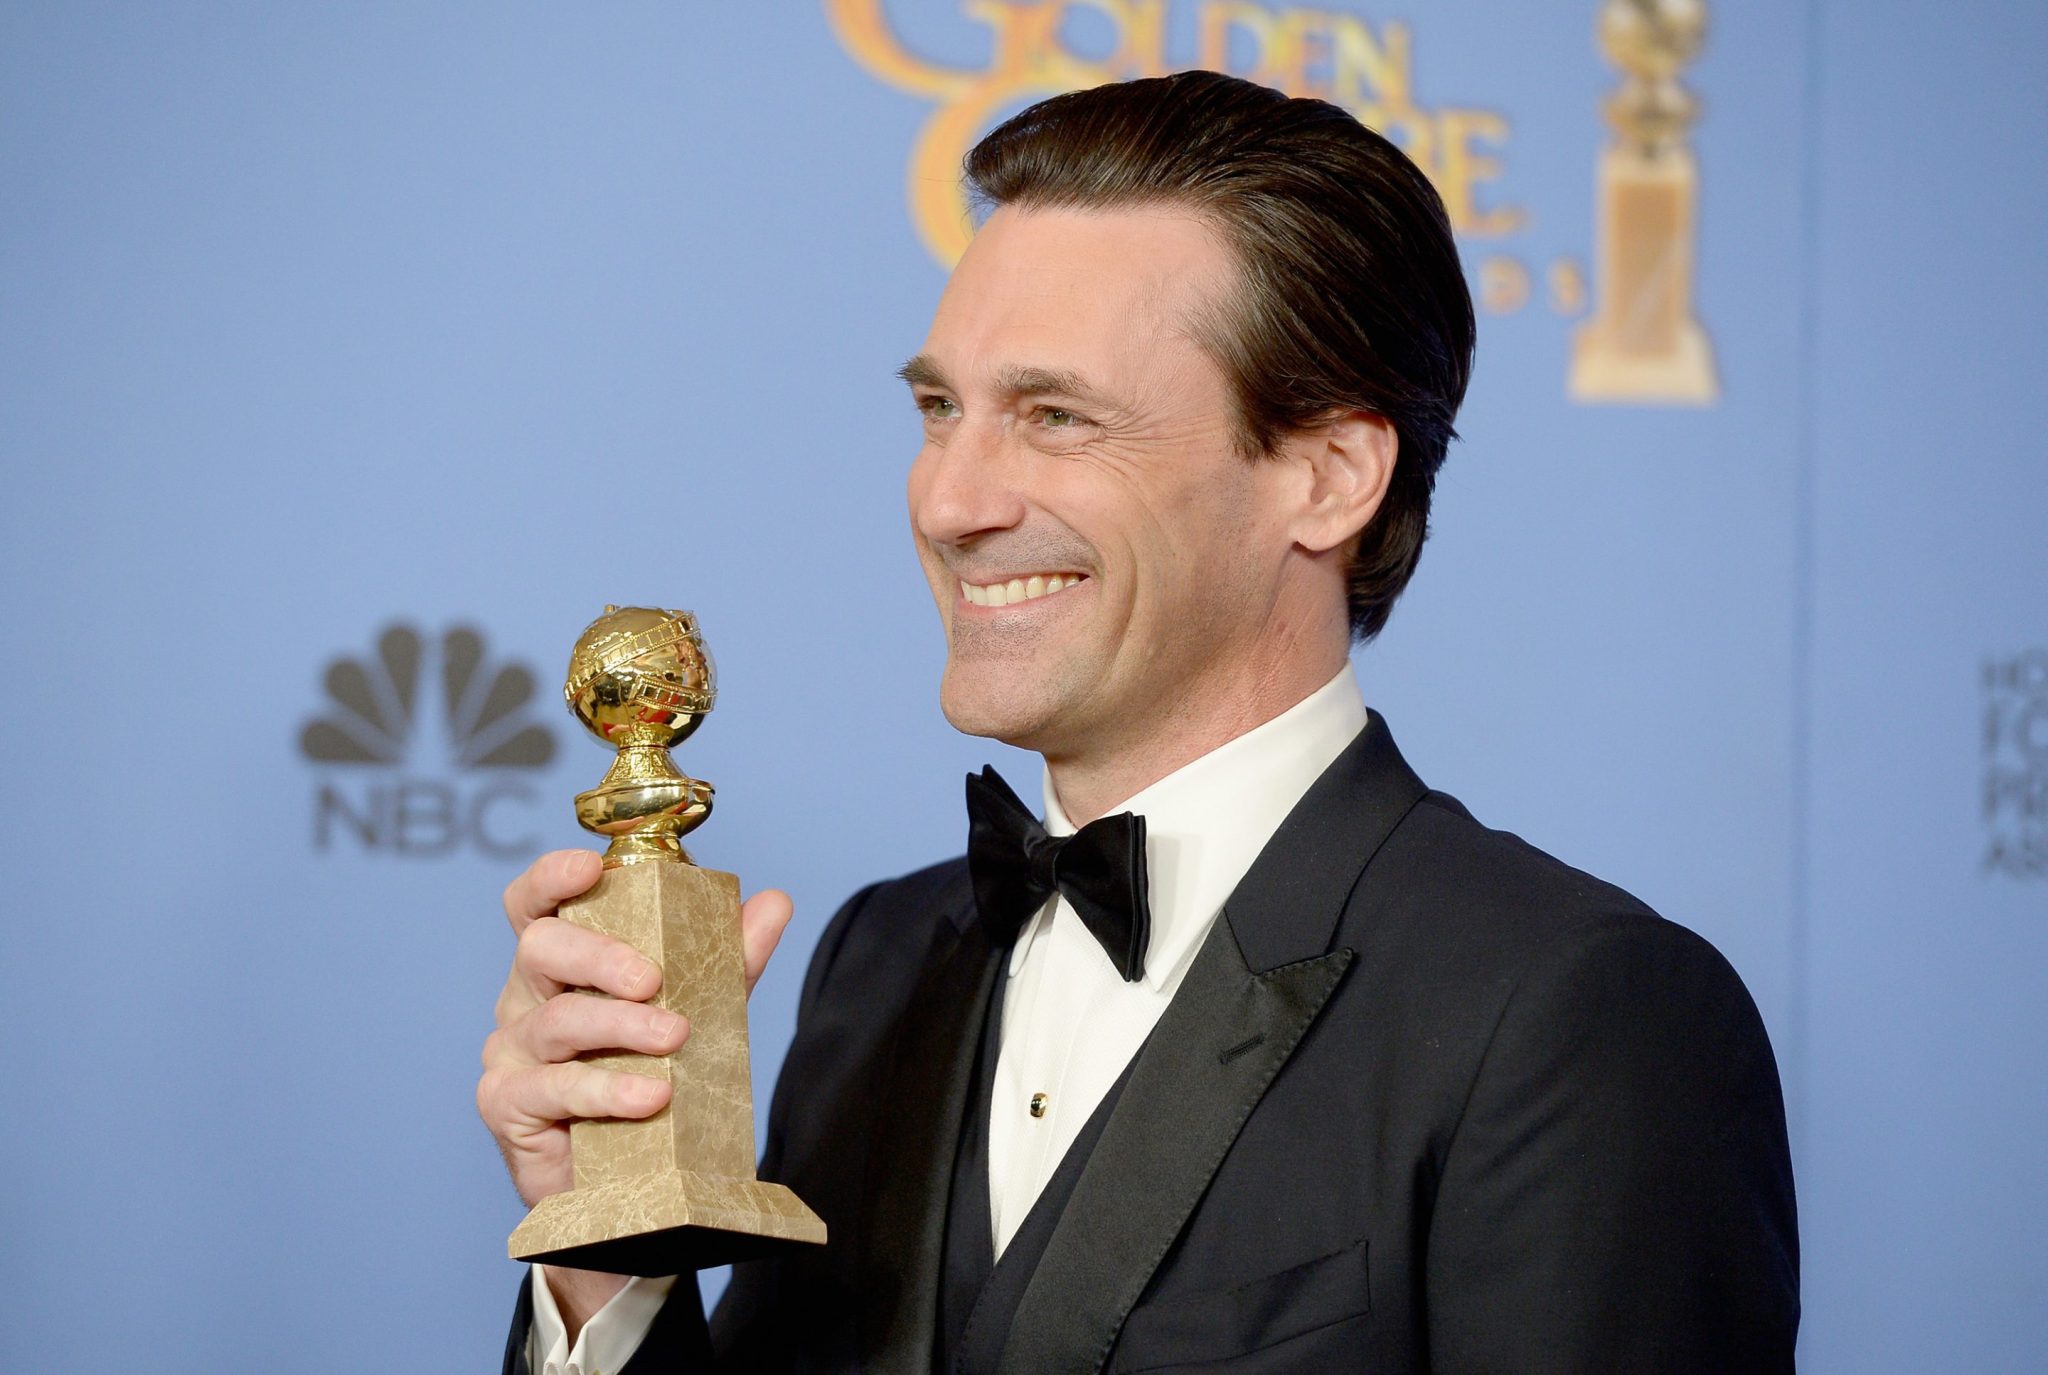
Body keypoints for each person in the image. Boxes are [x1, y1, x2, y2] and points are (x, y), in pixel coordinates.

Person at [478, 70, 1799, 1374]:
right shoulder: (877, 963)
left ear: (1328, 476)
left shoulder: (1574, 1016)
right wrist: (608, 1259)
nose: (950, 502)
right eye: (940, 409)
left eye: (1056, 417)